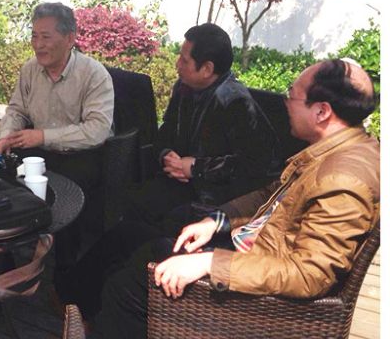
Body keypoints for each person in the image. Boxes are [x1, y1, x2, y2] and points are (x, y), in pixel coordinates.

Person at [101, 57, 380, 339]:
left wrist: (209, 262)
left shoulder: (343, 179)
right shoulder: (336, 151)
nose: (285, 102)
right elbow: (271, 193)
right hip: (254, 251)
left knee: (123, 291)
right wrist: (218, 220)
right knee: (136, 239)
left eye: (292, 94)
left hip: (261, 305)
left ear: (321, 112)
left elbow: (310, 274)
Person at [55, 22, 279, 316]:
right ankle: (84, 295)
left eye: (184, 59)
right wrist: (167, 156)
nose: (177, 64)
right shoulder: (185, 89)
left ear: (207, 68)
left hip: (214, 198)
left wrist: (195, 167)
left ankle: (82, 298)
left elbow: (255, 168)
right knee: (122, 207)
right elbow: (163, 137)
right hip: (177, 183)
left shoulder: (235, 103)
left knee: (137, 231)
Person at [0, 2, 115, 274]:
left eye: (45, 36)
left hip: (80, 155)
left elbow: (97, 130)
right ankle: (5, 259)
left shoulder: (93, 74)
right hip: (38, 150)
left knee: (64, 199)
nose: (38, 45)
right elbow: (16, 110)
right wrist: (6, 138)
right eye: (34, 36)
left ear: (69, 38)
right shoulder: (30, 70)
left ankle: (65, 274)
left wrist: (42, 136)